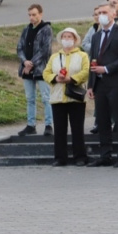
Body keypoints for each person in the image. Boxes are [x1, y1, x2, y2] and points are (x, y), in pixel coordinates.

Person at [86, 1, 118, 168]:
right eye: (99, 13)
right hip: (100, 84)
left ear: (114, 14)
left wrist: (106, 69)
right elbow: (92, 60)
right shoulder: (96, 36)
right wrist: (91, 85)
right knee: (102, 120)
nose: (102, 16)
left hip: (116, 82)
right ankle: (105, 154)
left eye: (105, 12)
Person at [42, 28, 89, 166]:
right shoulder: (54, 57)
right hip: (57, 97)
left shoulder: (82, 55)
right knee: (59, 129)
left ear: (75, 39)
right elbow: (46, 73)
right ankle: (60, 157)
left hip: (75, 97)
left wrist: (72, 79)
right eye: (64, 37)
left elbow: (86, 71)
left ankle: (80, 156)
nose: (67, 39)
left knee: (77, 128)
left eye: (69, 37)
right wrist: (55, 78)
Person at [16, 4, 53, 136]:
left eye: (34, 14)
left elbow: (45, 50)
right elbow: (19, 47)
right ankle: (31, 125)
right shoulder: (26, 30)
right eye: (30, 15)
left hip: (41, 69)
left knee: (46, 97)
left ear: (40, 14)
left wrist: (31, 63)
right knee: (30, 98)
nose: (31, 17)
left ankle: (48, 124)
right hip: (27, 69)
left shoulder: (46, 29)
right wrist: (24, 61)